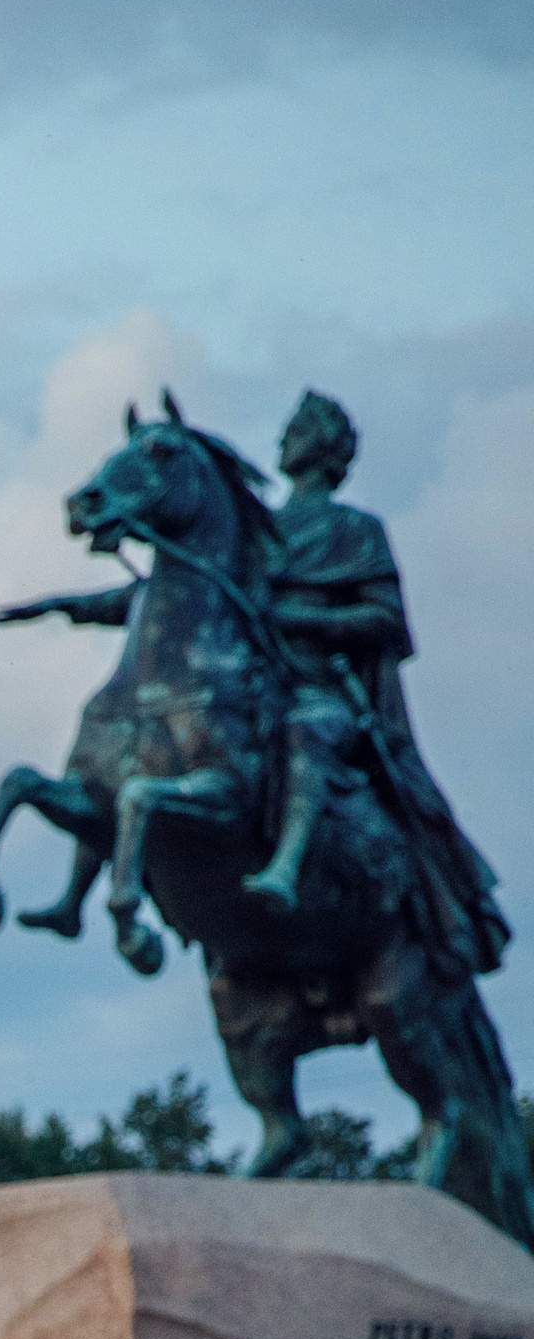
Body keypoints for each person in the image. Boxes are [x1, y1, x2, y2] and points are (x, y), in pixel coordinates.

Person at [243, 390, 508, 967]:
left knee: (309, 732)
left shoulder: (356, 530)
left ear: (326, 449)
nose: (283, 439)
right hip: (253, 690)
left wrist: (306, 617)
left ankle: (287, 866)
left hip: (321, 691)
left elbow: (385, 617)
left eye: (298, 429)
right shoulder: (256, 529)